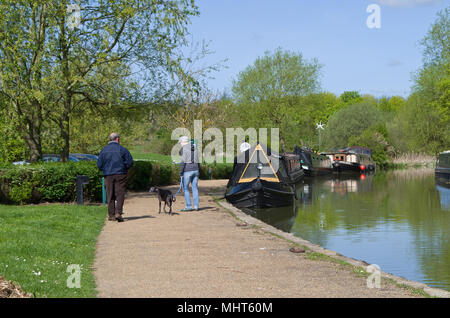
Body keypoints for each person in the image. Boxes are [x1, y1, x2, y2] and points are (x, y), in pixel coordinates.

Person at [97, 133, 133, 222]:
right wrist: (124, 168)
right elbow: (130, 162)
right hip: (120, 174)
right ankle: (118, 213)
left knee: (110, 194)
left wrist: (105, 170)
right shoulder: (123, 149)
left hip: (108, 175)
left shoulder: (104, 150)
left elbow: (99, 164)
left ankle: (111, 215)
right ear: (117, 139)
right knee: (120, 194)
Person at [178, 136, 200, 211]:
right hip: (196, 170)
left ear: (184, 142)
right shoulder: (195, 149)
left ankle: (188, 206)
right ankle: (196, 206)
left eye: (180, 143)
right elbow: (198, 161)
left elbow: (183, 162)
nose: (180, 144)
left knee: (186, 189)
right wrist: (198, 170)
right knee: (195, 188)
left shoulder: (184, 149)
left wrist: (180, 172)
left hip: (187, 171)